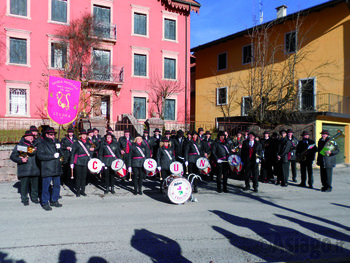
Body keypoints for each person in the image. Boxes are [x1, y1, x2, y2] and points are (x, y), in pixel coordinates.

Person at [10, 130, 40, 206]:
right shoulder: (20, 146)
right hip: (24, 169)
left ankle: (34, 198)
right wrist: (20, 160)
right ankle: (24, 199)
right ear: (25, 137)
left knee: (35, 186)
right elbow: (12, 156)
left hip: (35, 168)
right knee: (24, 187)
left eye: (32, 136)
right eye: (29, 136)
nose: (31, 138)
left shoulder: (37, 144)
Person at [36, 127, 63, 211]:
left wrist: (59, 149)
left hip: (56, 167)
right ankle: (44, 202)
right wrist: (52, 156)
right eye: (51, 134)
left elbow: (61, 155)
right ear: (46, 135)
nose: (53, 136)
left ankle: (54, 200)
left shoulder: (56, 143)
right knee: (46, 186)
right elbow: (40, 156)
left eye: (54, 134)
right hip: (47, 168)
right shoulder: (42, 144)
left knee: (57, 186)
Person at [70, 129, 92, 197]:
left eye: (85, 135)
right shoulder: (76, 143)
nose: (84, 136)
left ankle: (83, 191)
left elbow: (90, 153)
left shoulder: (88, 143)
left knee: (84, 177)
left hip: (86, 162)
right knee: (78, 177)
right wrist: (71, 162)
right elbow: (73, 153)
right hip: (78, 162)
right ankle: (78, 191)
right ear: (80, 136)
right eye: (83, 135)